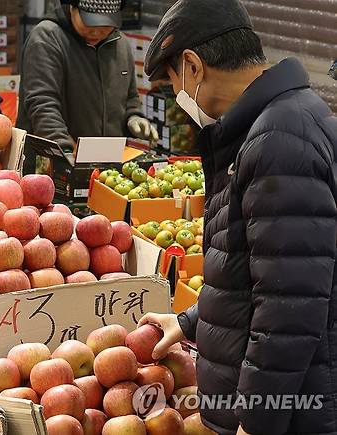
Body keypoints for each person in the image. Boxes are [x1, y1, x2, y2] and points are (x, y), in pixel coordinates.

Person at [139, 1, 337, 434]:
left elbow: (290, 306)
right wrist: (191, 321)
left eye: (173, 81)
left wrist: (256, 422)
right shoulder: (269, 126)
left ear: (192, 66)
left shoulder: (280, 138)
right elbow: (257, 267)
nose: (177, 97)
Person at [16, 0, 158, 154]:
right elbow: (43, 104)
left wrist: (134, 117)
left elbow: (129, 97)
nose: (97, 32)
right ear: (72, 7)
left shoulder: (120, 44)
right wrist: (65, 152)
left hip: (106, 164)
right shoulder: (47, 38)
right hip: (53, 163)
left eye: (105, 25)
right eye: (90, 23)